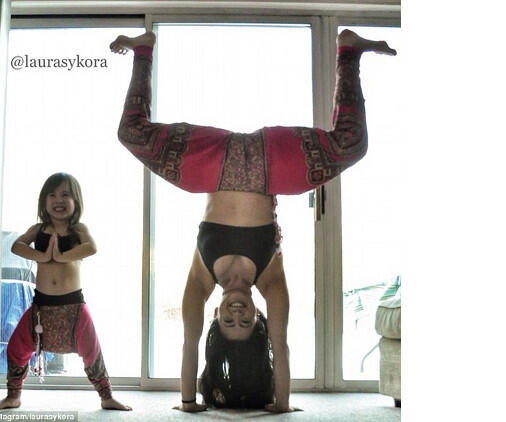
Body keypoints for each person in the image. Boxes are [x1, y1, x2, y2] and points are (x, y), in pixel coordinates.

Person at [110, 29, 395, 412]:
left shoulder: (200, 280)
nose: (238, 315)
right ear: (258, 316)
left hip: (211, 162)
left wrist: (187, 401)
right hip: (270, 164)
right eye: (246, 323)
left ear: (217, 315)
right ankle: (348, 53)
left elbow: (190, 344)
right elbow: (281, 345)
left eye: (229, 322)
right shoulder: (270, 279)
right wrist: (281, 404)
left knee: (130, 133)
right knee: (353, 144)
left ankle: (143, 50)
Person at [0, 173, 132, 411]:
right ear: (44, 201)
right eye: (52, 194)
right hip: (41, 306)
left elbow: (92, 247)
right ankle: (13, 396)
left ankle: (106, 396)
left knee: (91, 349)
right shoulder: (38, 229)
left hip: (73, 305)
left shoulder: (78, 230)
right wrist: (43, 256)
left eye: (66, 194)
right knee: (16, 346)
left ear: (76, 200)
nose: (59, 199)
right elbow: (17, 245)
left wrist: (62, 256)